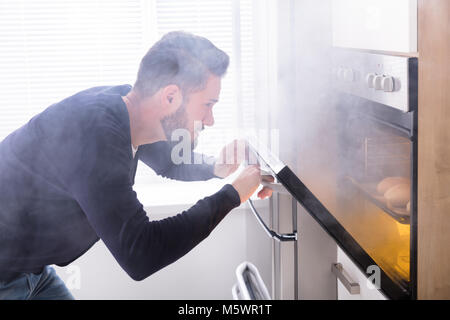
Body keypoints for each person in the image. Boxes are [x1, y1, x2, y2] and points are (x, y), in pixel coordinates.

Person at [0, 31, 273, 300]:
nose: (210, 119)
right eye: (208, 105)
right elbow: (141, 253)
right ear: (169, 97)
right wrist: (232, 194)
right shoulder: (96, 135)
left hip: (28, 271)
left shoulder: (127, 110)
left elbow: (169, 162)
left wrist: (217, 167)